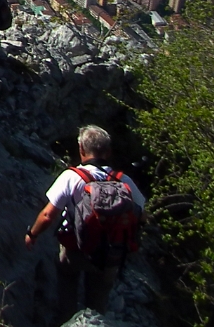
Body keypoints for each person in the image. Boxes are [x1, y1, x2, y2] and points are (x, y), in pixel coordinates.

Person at [24, 124, 147, 322]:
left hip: (75, 248)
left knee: (67, 285)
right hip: (110, 252)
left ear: (81, 149)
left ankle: (68, 321)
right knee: (98, 301)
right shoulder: (123, 180)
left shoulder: (72, 177)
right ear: (108, 152)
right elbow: (141, 214)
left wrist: (32, 234)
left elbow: (48, 215)